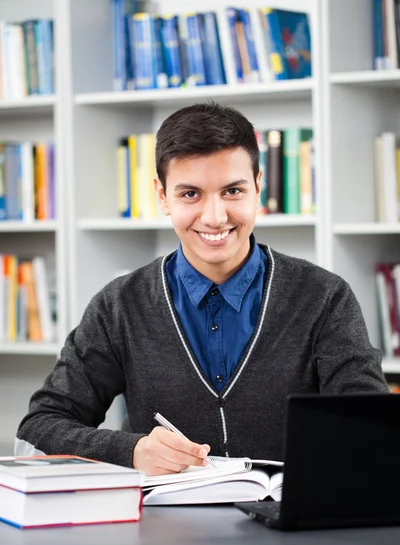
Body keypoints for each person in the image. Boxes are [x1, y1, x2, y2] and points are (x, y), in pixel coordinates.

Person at [15, 102, 388, 475]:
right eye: (190, 194)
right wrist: (132, 450)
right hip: (163, 529)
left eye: (233, 191)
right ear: (162, 196)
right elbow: (42, 425)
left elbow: (373, 426)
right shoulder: (119, 306)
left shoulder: (324, 297)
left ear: (258, 187)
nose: (214, 217)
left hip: (291, 523)